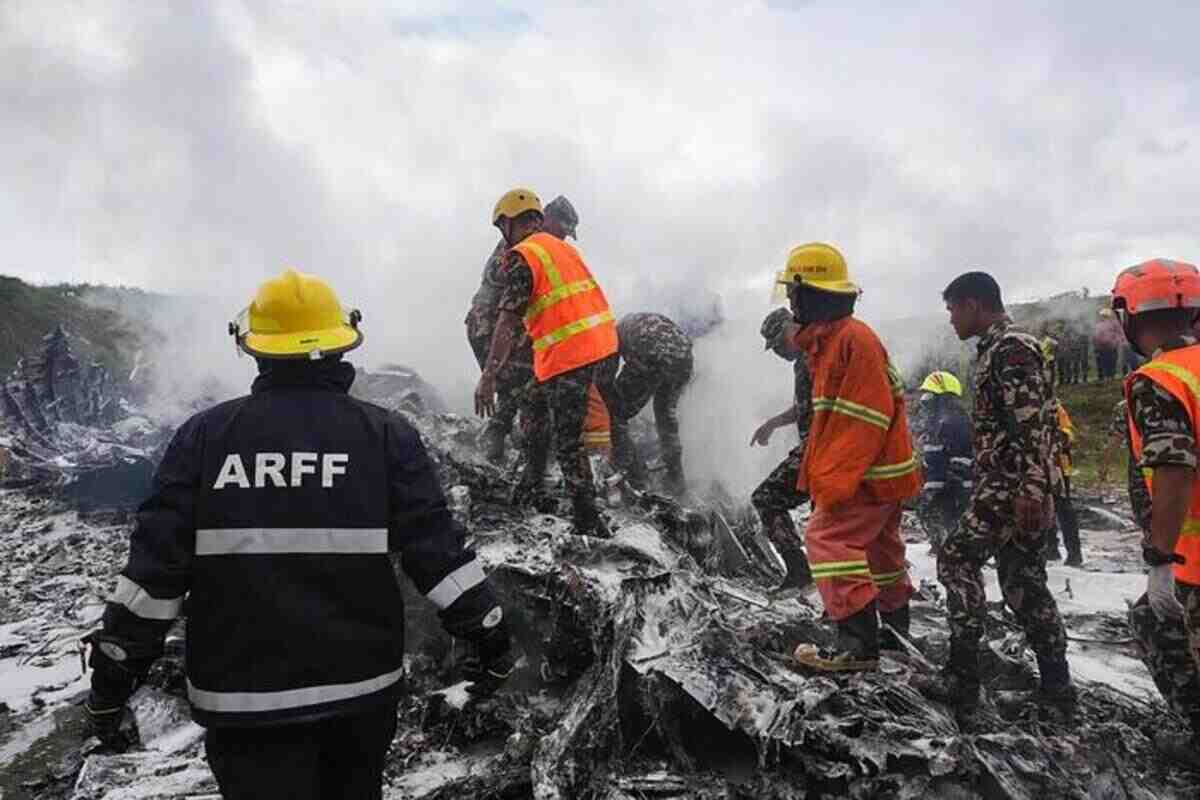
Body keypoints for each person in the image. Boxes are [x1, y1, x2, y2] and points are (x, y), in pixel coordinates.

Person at [82, 270, 514, 799]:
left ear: (256, 350)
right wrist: (490, 635)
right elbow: (438, 555)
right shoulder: (383, 435)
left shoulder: (203, 438)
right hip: (360, 697)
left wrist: (110, 687)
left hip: (243, 705)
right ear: (340, 344)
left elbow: (152, 581)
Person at [915, 271, 1075, 713]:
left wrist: (1030, 488)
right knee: (1023, 582)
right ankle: (1058, 689)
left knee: (956, 558)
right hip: (1011, 482)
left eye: (952, 309)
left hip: (1009, 485)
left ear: (973, 304)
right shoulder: (1000, 348)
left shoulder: (1011, 348)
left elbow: (1030, 424)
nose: (950, 320)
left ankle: (963, 676)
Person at [776, 243, 920, 672]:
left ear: (813, 292)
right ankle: (895, 638)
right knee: (881, 556)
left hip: (865, 476)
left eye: (794, 292)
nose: (789, 301)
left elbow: (862, 419)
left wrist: (833, 485)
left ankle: (858, 647)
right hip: (881, 476)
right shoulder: (834, 341)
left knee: (828, 540)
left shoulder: (849, 341)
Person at [475, 188, 618, 536]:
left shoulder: (524, 255)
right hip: (589, 346)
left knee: (568, 441)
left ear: (510, 223)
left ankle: (588, 519)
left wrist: (490, 376)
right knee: (534, 405)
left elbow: (508, 322)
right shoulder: (561, 248)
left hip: (572, 352)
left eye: (502, 228)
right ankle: (531, 484)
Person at [1110, 258, 1200, 767]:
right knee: (1150, 619)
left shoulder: (1159, 378)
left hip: (1193, 559)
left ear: (1130, 316)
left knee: (1152, 621)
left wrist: (1160, 558)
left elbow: (1172, 468)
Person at [465, 196, 579, 463]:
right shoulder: (526, 246)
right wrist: (490, 372)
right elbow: (511, 311)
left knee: (517, 389)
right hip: (491, 327)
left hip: (502, 328)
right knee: (525, 389)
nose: (565, 238)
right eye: (563, 230)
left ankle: (502, 450)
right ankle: (517, 460)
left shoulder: (537, 244)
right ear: (549, 219)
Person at [749, 306, 815, 592]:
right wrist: (772, 424)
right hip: (821, 448)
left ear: (791, 328)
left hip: (822, 448)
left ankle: (800, 573)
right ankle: (836, 599)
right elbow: (803, 407)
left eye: (777, 344)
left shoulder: (814, 356)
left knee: (766, 497)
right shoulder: (804, 359)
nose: (777, 352)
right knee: (827, 524)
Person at [596, 312, 693, 496]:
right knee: (666, 418)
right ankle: (676, 480)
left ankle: (635, 478)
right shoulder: (642, 320)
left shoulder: (611, 335)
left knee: (614, 415)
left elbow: (604, 382)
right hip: (684, 360)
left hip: (652, 355)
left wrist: (603, 411)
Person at [914, 371, 973, 556]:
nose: (924, 401)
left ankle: (957, 553)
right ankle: (942, 547)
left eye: (929, 395)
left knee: (953, 519)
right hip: (937, 482)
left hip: (954, 485)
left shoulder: (955, 420)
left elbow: (963, 452)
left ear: (943, 397)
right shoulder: (936, 422)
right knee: (931, 514)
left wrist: (954, 480)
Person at [1045, 401, 1083, 566]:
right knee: (1043, 507)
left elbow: (1069, 432)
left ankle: (1074, 553)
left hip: (1058, 466)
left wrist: (1057, 438)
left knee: (1063, 508)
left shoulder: (1054, 406)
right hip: (1034, 466)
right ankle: (1051, 549)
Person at [1094, 308, 1123, 380]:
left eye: (1105, 316)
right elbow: (1095, 335)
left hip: (1112, 346)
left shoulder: (1114, 323)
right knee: (1104, 361)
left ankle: (1111, 376)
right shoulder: (1098, 325)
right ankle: (1105, 376)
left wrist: (1117, 341)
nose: (1103, 317)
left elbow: (1120, 333)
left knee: (1112, 361)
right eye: (1103, 316)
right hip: (1102, 347)